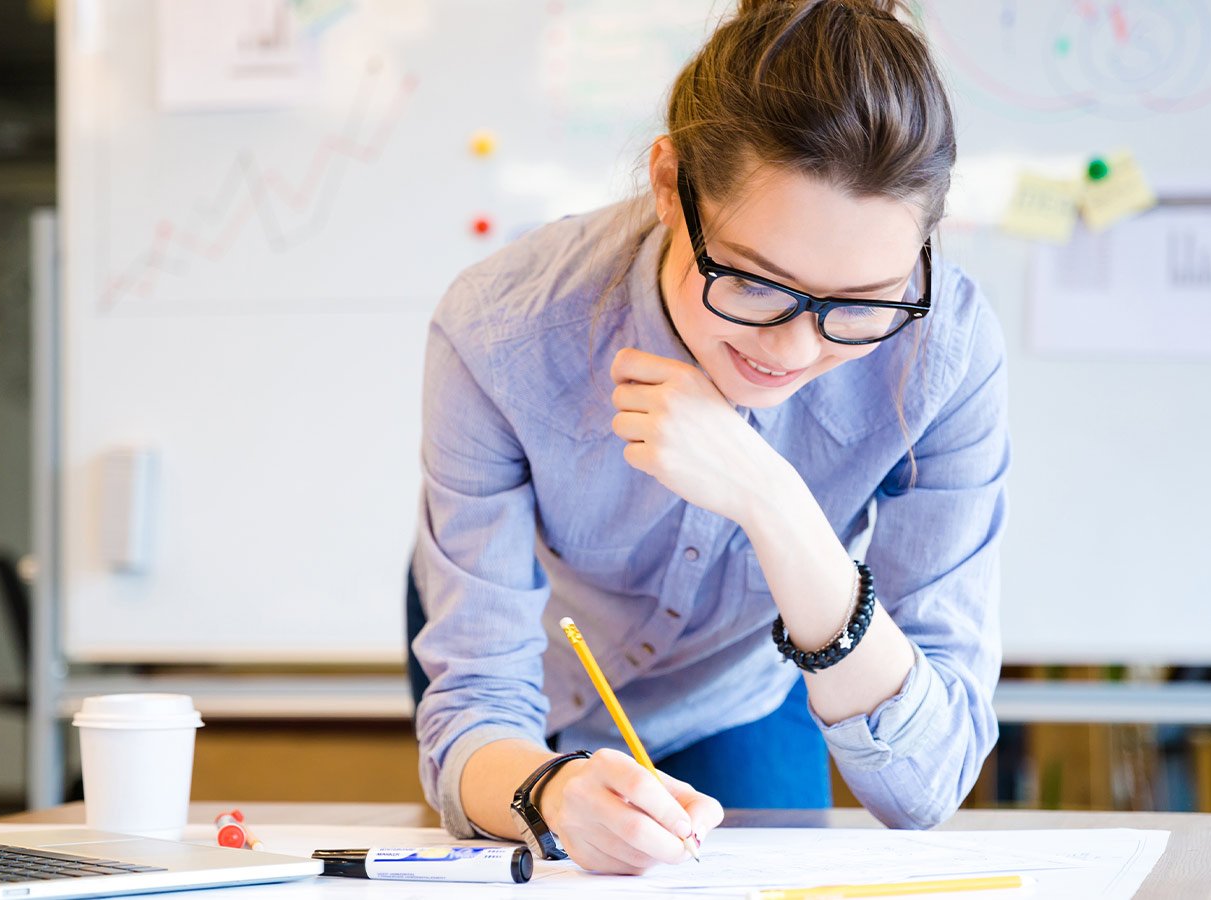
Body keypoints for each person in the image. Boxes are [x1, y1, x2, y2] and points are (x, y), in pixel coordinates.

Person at [410, 0, 1008, 876]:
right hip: (531, 661)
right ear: (668, 184)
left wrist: (771, 501)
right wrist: (548, 789)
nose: (798, 347)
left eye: (865, 301)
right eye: (757, 283)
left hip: (741, 678)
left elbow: (926, 785)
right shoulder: (503, 334)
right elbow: (474, 706)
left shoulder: (943, 350)